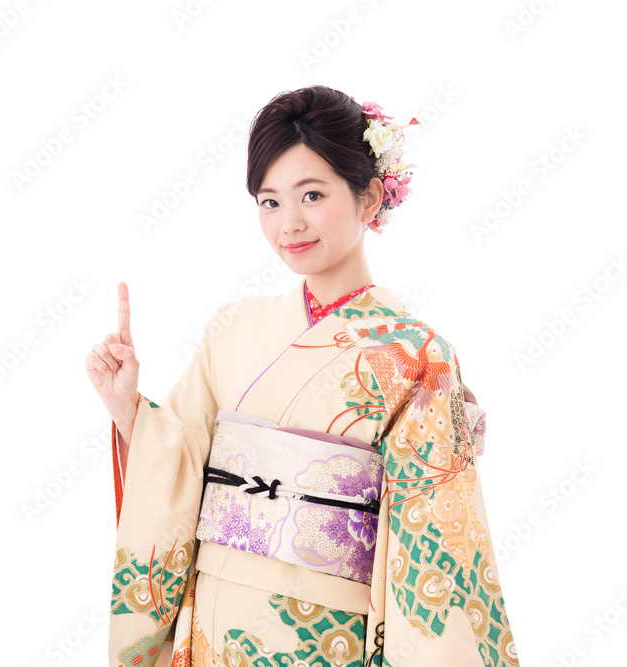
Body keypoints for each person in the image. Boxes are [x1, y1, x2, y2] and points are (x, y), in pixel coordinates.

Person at [85, 85, 519, 666]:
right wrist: (126, 406)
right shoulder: (233, 328)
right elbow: (180, 461)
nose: (290, 223)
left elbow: (433, 541)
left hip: (326, 637)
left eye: (311, 195)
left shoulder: (417, 358)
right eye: (269, 202)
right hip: (216, 624)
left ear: (369, 198)